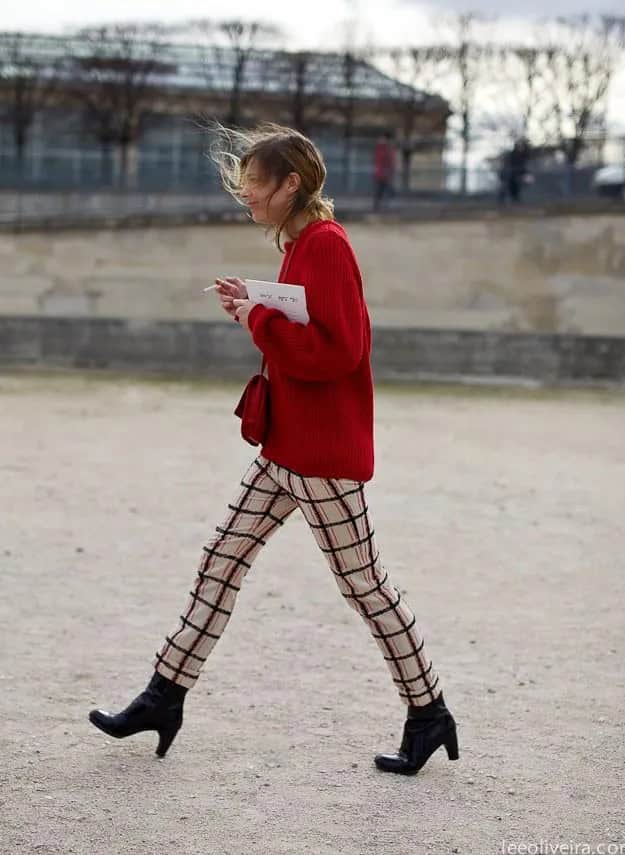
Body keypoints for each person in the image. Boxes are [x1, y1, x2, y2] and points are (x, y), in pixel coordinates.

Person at [88, 123, 458, 776]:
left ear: (292, 184)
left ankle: (429, 711)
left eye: (256, 182)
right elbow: (303, 328)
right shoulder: (303, 246)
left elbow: (341, 350)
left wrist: (255, 318)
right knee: (221, 559)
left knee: (364, 585)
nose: (246, 194)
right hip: (289, 449)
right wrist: (255, 301)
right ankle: (163, 695)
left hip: (321, 455)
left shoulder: (325, 246)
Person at [373, 131, 396, 211]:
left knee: (384, 187)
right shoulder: (382, 147)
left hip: (385, 171)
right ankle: (378, 204)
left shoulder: (387, 147)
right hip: (382, 171)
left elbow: (390, 159)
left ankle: (382, 203)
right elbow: (380, 159)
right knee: (382, 188)